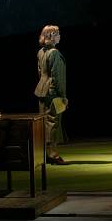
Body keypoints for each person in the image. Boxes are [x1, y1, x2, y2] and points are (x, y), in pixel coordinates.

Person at [34, 25, 69, 165]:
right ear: (51, 36)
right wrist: (63, 96)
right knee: (53, 123)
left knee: (45, 123)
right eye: (57, 33)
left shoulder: (41, 52)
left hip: (42, 90)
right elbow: (57, 77)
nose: (59, 35)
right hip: (52, 92)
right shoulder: (54, 52)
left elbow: (39, 72)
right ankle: (53, 155)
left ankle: (46, 154)